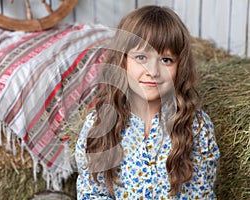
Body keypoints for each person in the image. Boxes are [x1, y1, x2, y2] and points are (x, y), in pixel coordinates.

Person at [75, 5, 220, 199]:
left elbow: (200, 195)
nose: (153, 71)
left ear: (180, 67)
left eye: (166, 60)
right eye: (141, 57)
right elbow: (91, 193)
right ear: (123, 60)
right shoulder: (98, 125)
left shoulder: (197, 127)